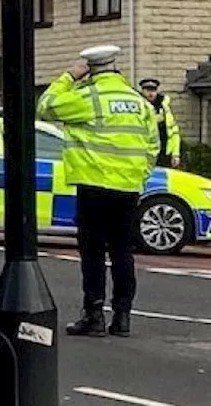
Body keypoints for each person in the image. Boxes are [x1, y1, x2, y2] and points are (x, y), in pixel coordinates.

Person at [36, 45, 159, 338]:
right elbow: (153, 147)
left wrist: (68, 76)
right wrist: (138, 178)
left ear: (90, 69)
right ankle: (123, 318)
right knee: (122, 253)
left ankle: (94, 315)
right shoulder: (138, 101)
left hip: (94, 186)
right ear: (116, 68)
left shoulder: (88, 97)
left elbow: (46, 106)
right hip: (128, 188)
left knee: (92, 253)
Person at [138, 78, 181, 169]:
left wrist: (175, 154)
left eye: (153, 90)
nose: (151, 93)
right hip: (143, 155)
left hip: (164, 155)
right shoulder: (138, 107)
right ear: (142, 91)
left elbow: (174, 133)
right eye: (148, 90)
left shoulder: (165, 108)